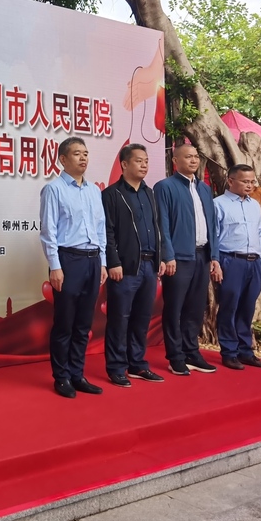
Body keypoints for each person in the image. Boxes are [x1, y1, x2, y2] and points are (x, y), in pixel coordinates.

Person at [40, 138, 107, 399]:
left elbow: (100, 229)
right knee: (64, 323)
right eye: (77, 153)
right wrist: (55, 266)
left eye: (85, 153)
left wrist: (103, 262)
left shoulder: (94, 191)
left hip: (93, 260)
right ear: (63, 159)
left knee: (83, 324)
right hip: (68, 260)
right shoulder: (54, 189)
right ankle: (62, 377)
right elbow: (48, 231)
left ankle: (78, 374)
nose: (83, 158)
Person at [101, 144, 166, 388]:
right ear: (124, 164)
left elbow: (157, 228)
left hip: (149, 265)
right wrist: (113, 262)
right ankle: (117, 367)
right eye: (139, 161)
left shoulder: (149, 193)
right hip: (125, 267)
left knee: (142, 318)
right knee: (119, 319)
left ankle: (137, 364)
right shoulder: (111, 194)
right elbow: (107, 232)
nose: (144, 165)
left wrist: (160, 258)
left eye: (146, 161)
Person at [154, 144, 220, 377]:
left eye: (195, 157)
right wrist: (168, 255)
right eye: (188, 157)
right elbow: (162, 225)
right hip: (179, 258)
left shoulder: (204, 189)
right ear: (175, 161)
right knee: (175, 308)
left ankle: (192, 352)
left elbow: (212, 224)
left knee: (195, 308)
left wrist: (214, 256)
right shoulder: (165, 187)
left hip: (202, 256)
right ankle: (175, 356)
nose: (193, 161)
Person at [213, 164, 261, 370]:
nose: (250, 185)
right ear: (231, 181)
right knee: (229, 307)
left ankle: (246, 351)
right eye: (245, 181)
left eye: (252, 181)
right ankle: (229, 352)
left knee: (247, 307)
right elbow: (213, 236)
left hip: (254, 262)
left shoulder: (254, 204)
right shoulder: (218, 204)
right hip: (230, 261)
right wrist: (215, 262)